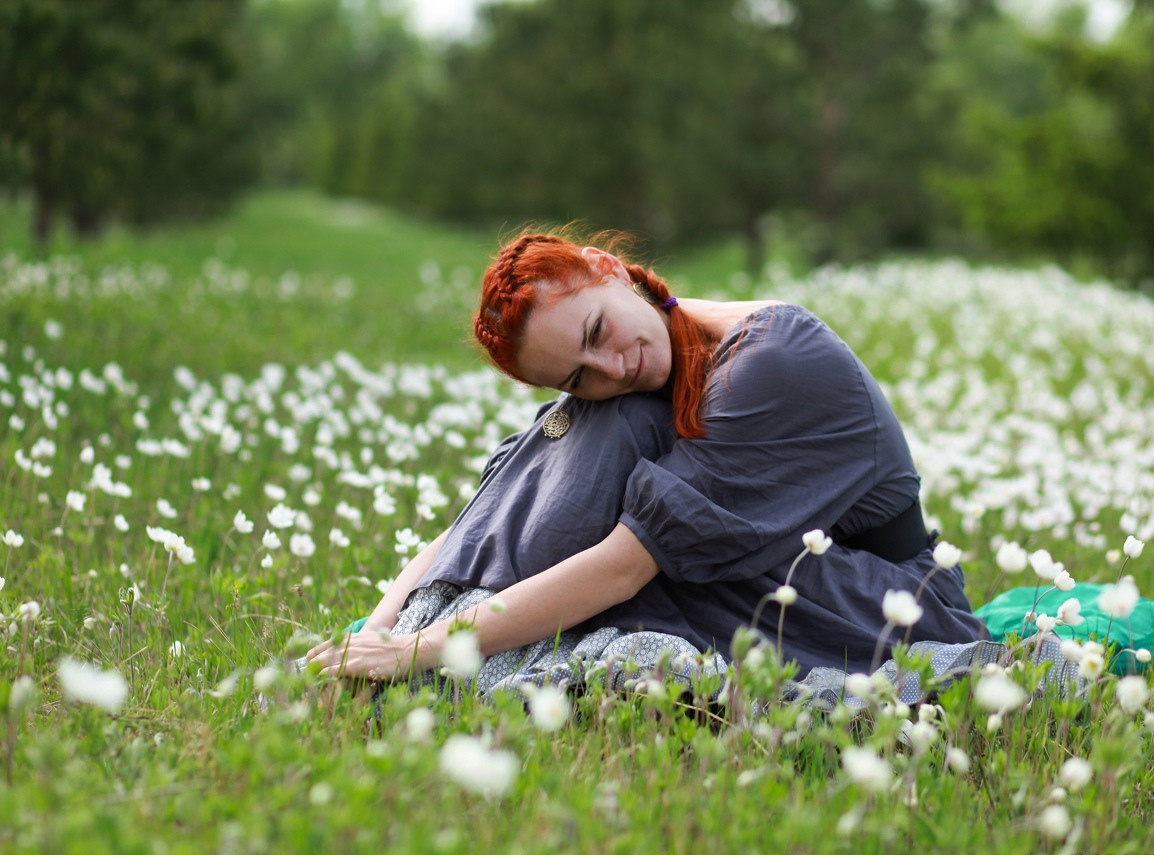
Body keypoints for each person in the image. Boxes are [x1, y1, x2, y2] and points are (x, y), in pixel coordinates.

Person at [306, 231, 987, 684]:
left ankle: (462, 634)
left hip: (880, 603)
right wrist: (380, 629)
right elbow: (489, 509)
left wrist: (419, 651)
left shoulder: (771, 365)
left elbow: (623, 567)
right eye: (577, 374)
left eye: (597, 330)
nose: (611, 366)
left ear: (609, 270)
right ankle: (446, 620)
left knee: (626, 535)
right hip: (773, 576)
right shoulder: (649, 365)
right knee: (588, 429)